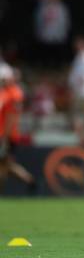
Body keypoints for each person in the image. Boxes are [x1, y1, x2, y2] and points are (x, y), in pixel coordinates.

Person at [0, 64, 35, 193]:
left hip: (8, 134)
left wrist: (5, 137)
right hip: (5, 133)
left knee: (4, 164)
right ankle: (29, 180)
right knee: (5, 164)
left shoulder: (14, 93)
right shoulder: (6, 92)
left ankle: (28, 180)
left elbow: (10, 117)